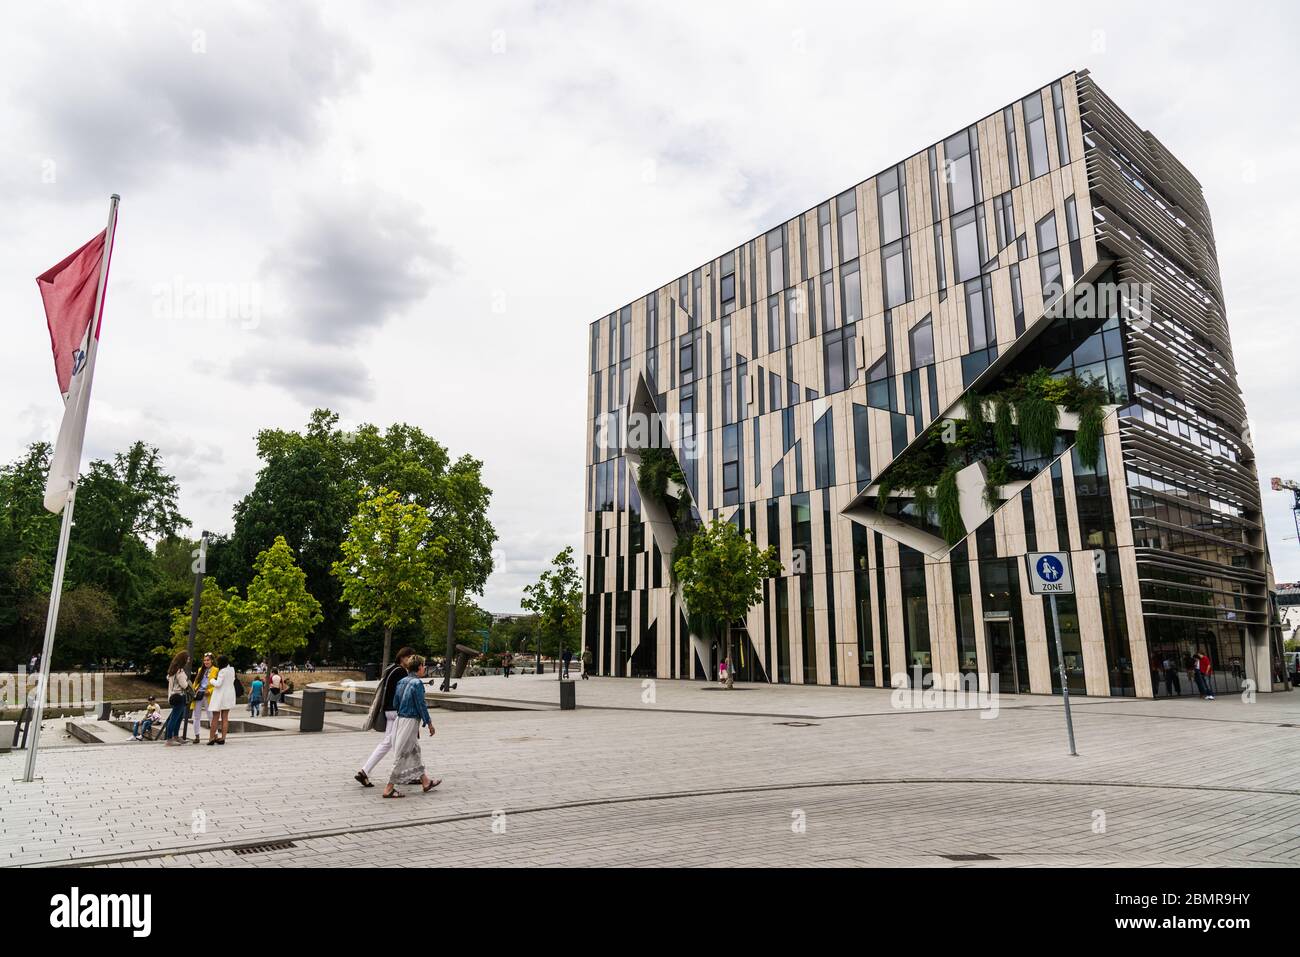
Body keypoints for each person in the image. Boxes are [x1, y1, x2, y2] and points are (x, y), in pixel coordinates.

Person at [355, 647, 416, 788]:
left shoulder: (391, 669)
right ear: (403, 658)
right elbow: (404, 694)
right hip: (397, 712)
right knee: (403, 743)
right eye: (410, 658)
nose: (411, 661)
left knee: (390, 742)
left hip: (388, 711)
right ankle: (403, 776)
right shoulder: (401, 672)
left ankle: (365, 771)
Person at [382, 655, 440, 798]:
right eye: (424, 666)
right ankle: (388, 788)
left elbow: (395, 703)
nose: (424, 668)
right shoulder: (417, 683)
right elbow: (421, 705)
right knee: (402, 754)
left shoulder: (401, 682)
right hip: (410, 720)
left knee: (414, 750)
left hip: (400, 719)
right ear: (419, 667)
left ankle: (425, 782)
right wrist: (429, 723)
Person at [207, 655, 237, 745]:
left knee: (215, 717)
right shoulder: (232, 670)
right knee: (225, 718)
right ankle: (223, 738)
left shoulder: (222, 671)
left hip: (220, 696)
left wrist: (211, 680)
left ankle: (211, 738)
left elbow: (218, 684)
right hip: (229, 695)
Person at [163, 652, 190, 746]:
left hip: (173, 696)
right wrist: (188, 683)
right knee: (175, 718)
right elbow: (184, 685)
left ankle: (175, 736)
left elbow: (168, 678)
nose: (188, 660)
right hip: (179, 696)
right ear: (183, 660)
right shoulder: (180, 672)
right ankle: (169, 739)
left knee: (178, 717)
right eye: (187, 658)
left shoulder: (172, 671)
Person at [190, 653, 216, 743]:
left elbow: (217, 684)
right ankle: (197, 736)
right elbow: (196, 682)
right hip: (199, 694)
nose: (206, 662)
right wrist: (193, 691)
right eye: (204, 660)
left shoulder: (216, 670)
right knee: (196, 716)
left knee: (211, 716)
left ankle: (214, 735)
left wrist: (209, 691)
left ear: (212, 660)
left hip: (208, 695)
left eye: (208, 660)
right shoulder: (200, 669)